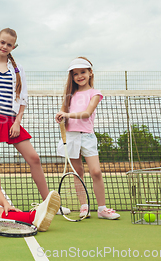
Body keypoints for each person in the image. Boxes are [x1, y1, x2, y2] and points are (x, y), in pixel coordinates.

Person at [0, 28, 51, 206]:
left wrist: (17, 122)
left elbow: (22, 98)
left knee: (34, 158)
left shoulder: (17, 69)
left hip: (10, 120)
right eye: (2, 42)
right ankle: (0, 205)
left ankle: (48, 202)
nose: (5, 46)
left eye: (9, 44)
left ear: (14, 47)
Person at [55, 57, 120, 220]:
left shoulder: (95, 93)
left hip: (87, 137)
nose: (79, 76)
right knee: (78, 173)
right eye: (75, 74)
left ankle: (102, 209)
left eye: (83, 72)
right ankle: (84, 206)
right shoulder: (69, 95)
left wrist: (66, 114)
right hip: (71, 136)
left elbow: (87, 113)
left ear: (90, 73)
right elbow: (62, 115)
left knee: (96, 172)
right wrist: (60, 117)